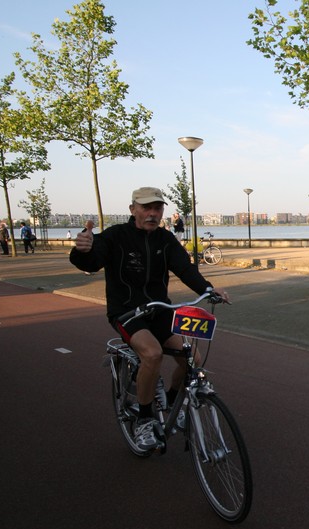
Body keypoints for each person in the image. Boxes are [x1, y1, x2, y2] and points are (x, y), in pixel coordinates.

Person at [69, 187, 229, 454]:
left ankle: (172, 402)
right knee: (152, 354)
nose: (153, 213)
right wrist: (82, 251)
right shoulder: (116, 236)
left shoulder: (165, 239)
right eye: (146, 208)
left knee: (193, 358)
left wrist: (208, 290)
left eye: (158, 208)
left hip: (159, 310)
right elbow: (91, 262)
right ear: (133, 209)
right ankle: (145, 419)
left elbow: (185, 268)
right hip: (126, 312)